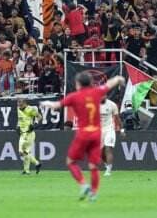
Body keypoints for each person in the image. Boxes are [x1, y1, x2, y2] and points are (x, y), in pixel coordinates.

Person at [40, 73, 125, 202]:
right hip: (96, 133)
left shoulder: (74, 96)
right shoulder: (97, 92)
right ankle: (94, 193)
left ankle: (83, 184)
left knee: (71, 162)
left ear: (78, 84)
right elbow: (111, 83)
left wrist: (45, 102)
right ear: (90, 83)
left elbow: (56, 105)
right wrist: (119, 79)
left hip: (83, 133)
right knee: (93, 166)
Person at [17, 99, 42, 175]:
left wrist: (34, 124)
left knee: (22, 151)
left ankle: (33, 166)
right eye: (18, 103)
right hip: (22, 132)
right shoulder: (18, 109)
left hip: (29, 133)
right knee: (25, 152)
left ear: (25, 103)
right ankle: (28, 169)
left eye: (20, 103)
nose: (19, 104)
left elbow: (39, 116)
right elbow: (20, 120)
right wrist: (17, 126)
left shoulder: (31, 109)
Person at [100, 95, 122, 176]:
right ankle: (106, 165)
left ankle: (108, 170)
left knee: (108, 148)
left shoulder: (112, 105)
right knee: (100, 153)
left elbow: (117, 118)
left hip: (109, 129)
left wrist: (121, 129)